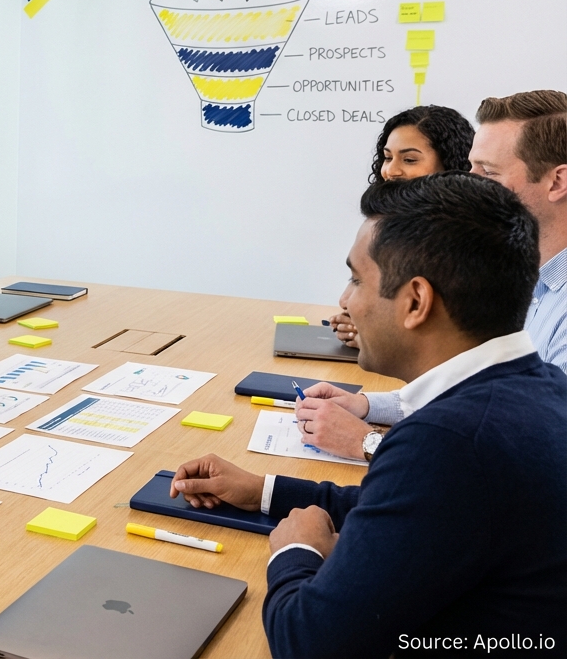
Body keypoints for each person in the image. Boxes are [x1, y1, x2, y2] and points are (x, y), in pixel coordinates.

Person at [171, 173, 567, 656]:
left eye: (357, 279)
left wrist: (296, 551)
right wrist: (266, 492)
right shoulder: (543, 388)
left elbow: (307, 642)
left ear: (416, 301)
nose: (345, 300)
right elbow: (409, 507)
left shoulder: (448, 441)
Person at [302, 91, 567, 461]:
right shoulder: (517, 275)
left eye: (487, 173)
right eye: (472, 167)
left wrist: (370, 444)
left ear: (557, 182)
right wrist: (365, 405)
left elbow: (537, 454)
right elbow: (462, 387)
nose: (470, 181)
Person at [329, 105, 474, 345]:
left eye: (409, 159)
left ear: (450, 166)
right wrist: (358, 324)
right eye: (387, 158)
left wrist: (379, 338)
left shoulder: (470, 239)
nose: (391, 171)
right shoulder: (384, 222)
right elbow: (351, 299)